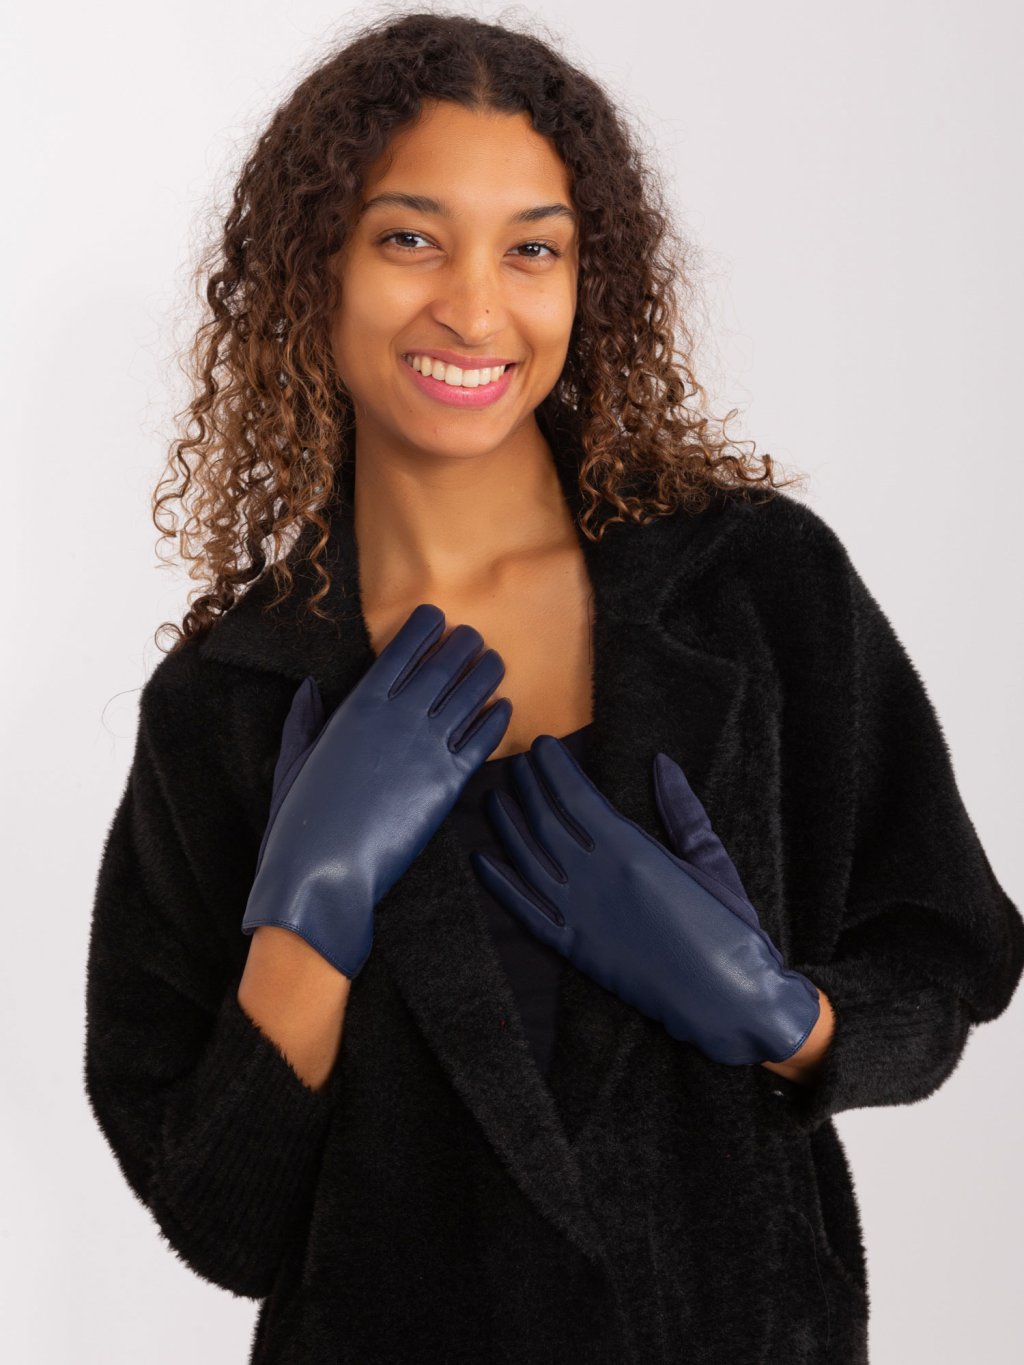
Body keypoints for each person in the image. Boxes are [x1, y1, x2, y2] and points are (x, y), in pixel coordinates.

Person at [83, 12, 1024, 1364]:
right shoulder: (227, 700)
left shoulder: (756, 588)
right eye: (411, 239)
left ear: (590, 279)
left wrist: (777, 1013)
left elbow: (945, 968)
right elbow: (221, 1221)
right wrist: (309, 917)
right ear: (317, 263)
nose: (475, 309)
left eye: (533, 249)